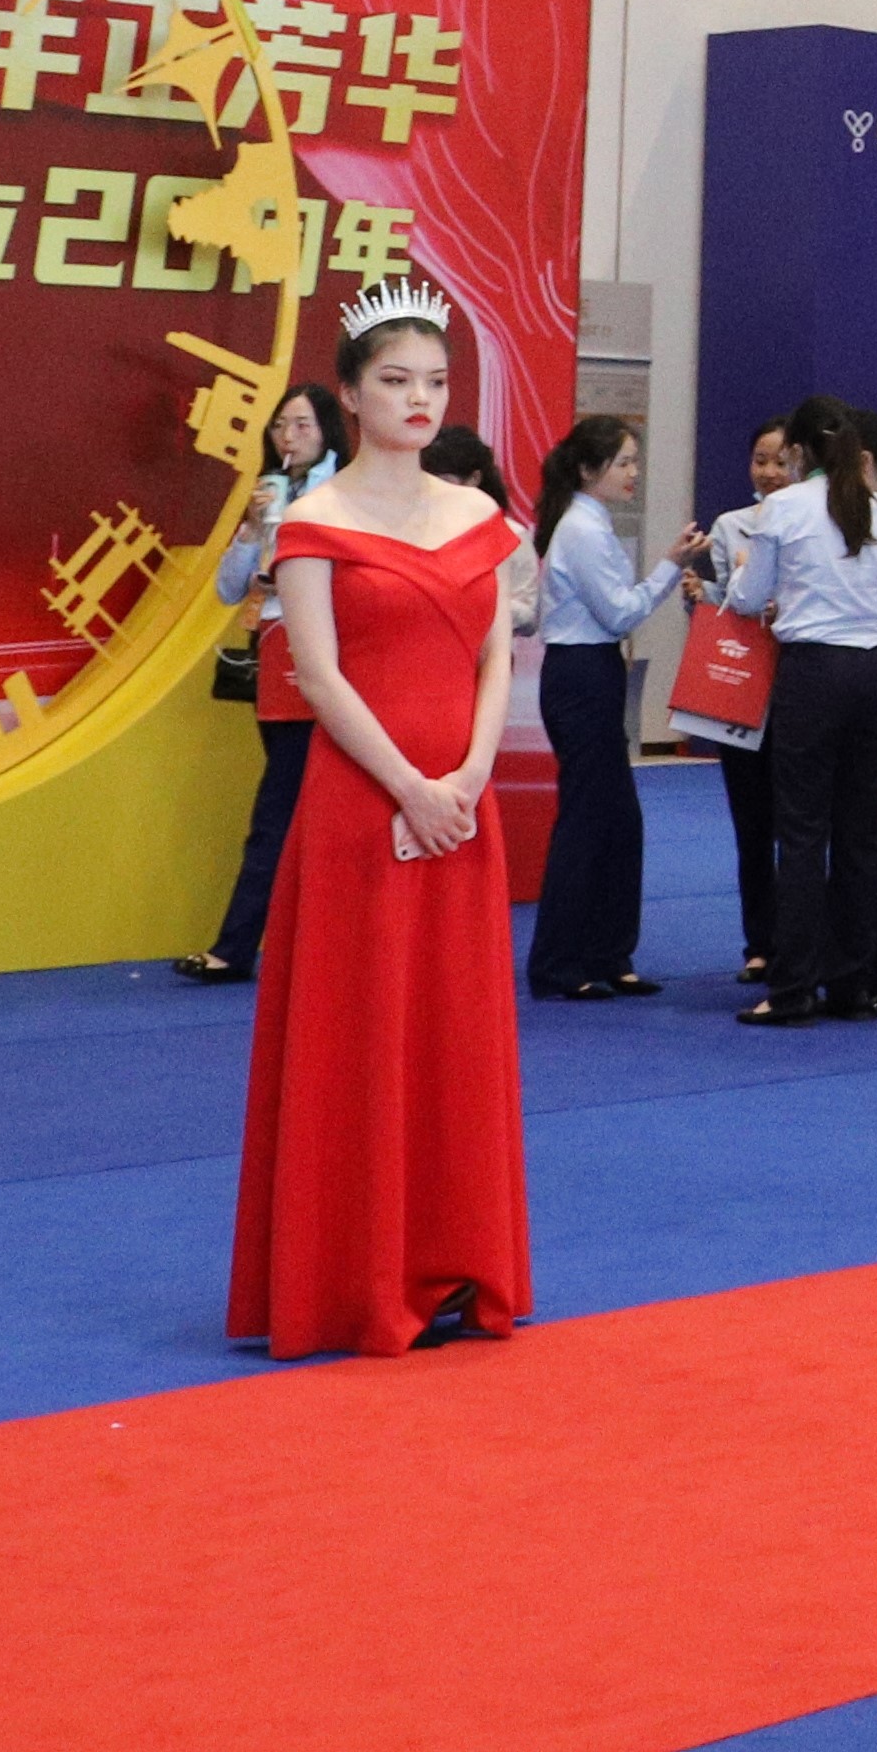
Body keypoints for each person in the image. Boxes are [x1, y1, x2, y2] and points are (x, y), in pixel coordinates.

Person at [229, 285, 537, 1359]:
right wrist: (410, 785)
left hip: (462, 800)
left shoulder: (479, 517)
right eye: (396, 380)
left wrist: (471, 774)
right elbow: (315, 674)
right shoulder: (315, 519)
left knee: (455, 1025)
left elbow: (496, 655)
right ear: (351, 394)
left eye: (437, 382)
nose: (420, 399)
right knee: (359, 1026)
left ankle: (457, 1256)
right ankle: (352, 1270)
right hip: (363, 803)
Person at [720, 399, 877, 1024]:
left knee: (800, 833)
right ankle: (850, 984)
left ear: (797, 451)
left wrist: (747, 579)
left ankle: (793, 988)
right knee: (860, 834)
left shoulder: (785, 508)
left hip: (812, 673)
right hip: (872, 673)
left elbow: (749, 597)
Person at [176, 379, 349, 983]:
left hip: (325, 657)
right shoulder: (269, 492)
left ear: (328, 432)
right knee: (291, 804)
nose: (288, 436)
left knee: (285, 809)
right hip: (275, 656)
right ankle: (289, 944)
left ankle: (239, 945)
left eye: (302, 425)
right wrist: (252, 529)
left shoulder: (340, 493)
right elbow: (229, 589)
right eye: (280, 425)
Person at [521, 414, 669, 1000]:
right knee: (587, 820)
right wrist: (672, 567)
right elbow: (620, 612)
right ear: (588, 469)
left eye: (634, 461)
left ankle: (609, 953)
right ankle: (560, 962)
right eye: (623, 462)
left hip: (591, 670)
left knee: (618, 821)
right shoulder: (582, 528)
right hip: (582, 673)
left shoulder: (589, 522)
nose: (634, 472)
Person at [674, 415, 799, 979]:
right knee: (751, 825)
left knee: (800, 828)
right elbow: (726, 603)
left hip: (799, 683)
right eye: (760, 460)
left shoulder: (814, 521)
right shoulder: (731, 526)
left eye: (780, 461)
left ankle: (803, 940)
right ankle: (761, 943)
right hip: (744, 689)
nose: (769, 472)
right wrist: (702, 594)